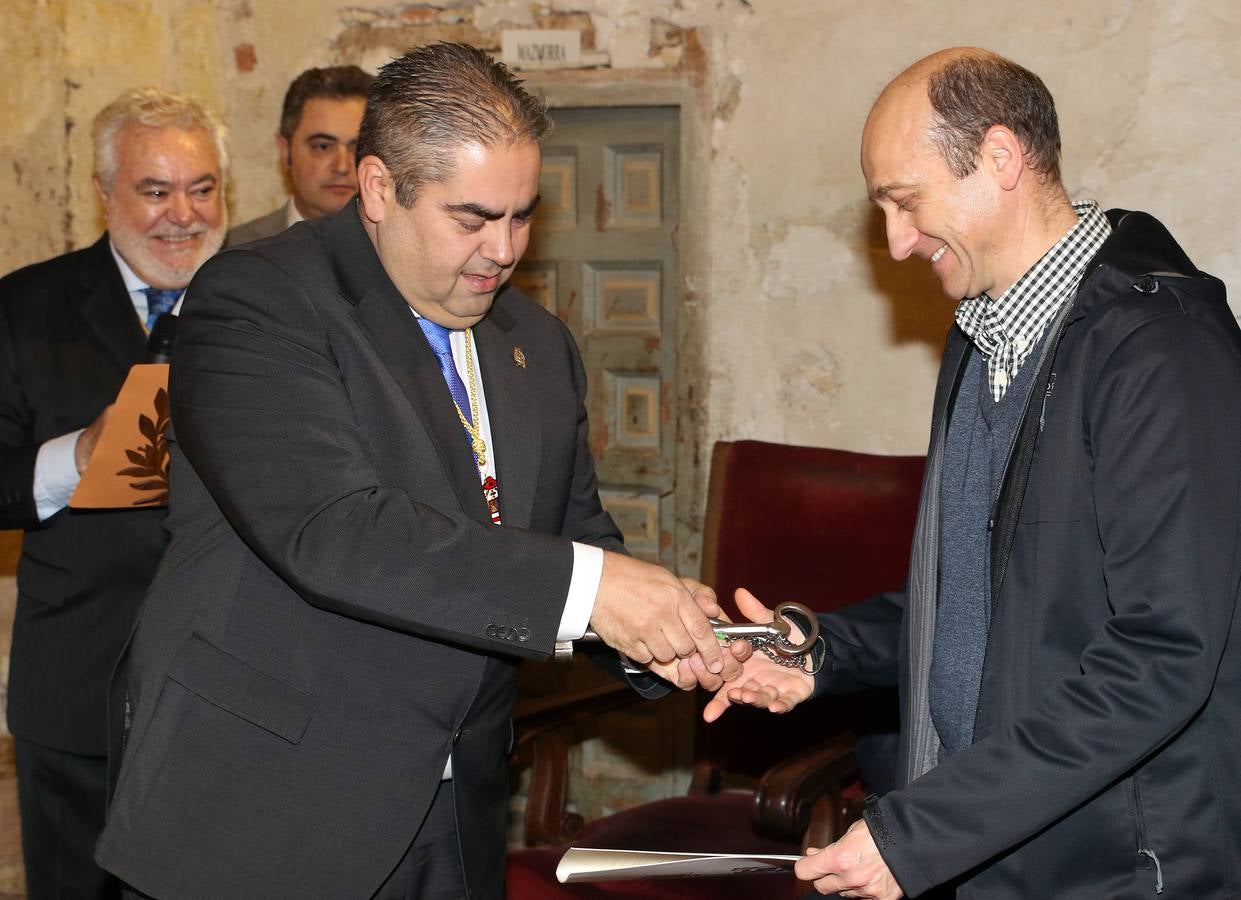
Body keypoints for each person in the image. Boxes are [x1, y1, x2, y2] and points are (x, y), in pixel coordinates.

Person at [96, 42, 734, 900]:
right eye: (470, 219)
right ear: (379, 189)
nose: (502, 250)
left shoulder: (535, 346)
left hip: (454, 814)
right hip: (264, 811)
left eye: (522, 216)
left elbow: (573, 538)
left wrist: (672, 639)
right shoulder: (259, 300)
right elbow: (333, 530)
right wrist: (597, 590)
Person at [708, 47, 1241, 898]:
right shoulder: (983, 331)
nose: (893, 242)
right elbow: (983, 607)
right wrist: (820, 650)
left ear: (999, 158)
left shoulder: (1159, 351)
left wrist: (924, 833)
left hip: (1108, 870)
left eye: (904, 202)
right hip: (989, 846)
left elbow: (1162, 654)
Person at [0, 87, 226, 899]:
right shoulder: (24, 307)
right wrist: (79, 455)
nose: (183, 216)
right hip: (79, 685)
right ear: (104, 192)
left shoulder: (265, 306)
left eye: (202, 189)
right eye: (155, 190)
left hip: (231, 689)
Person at [226, 64, 373, 245]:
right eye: (323, 147)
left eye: (358, 148)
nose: (342, 167)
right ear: (286, 152)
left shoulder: (406, 250)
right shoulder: (236, 250)